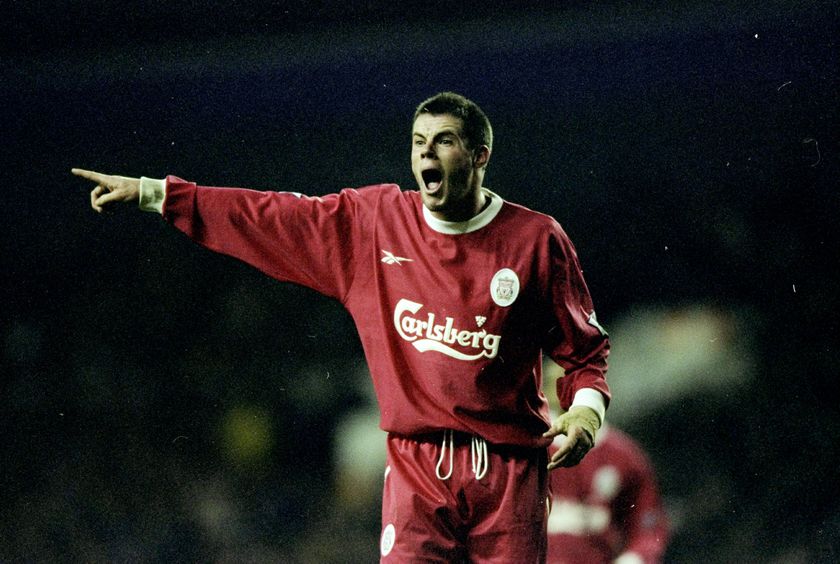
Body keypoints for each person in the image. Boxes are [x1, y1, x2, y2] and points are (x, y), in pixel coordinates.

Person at [73, 91, 611, 563]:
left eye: (444, 140)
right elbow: (269, 215)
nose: (426, 151)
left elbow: (585, 353)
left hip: (509, 469)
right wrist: (158, 193)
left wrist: (585, 414)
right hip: (416, 465)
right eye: (418, 140)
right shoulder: (372, 225)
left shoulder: (536, 240)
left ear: (479, 156)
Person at [543, 361, 668, 564]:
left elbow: (648, 526)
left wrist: (634, 558)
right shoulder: (525, 449)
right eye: (558, 381)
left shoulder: (624, 457)